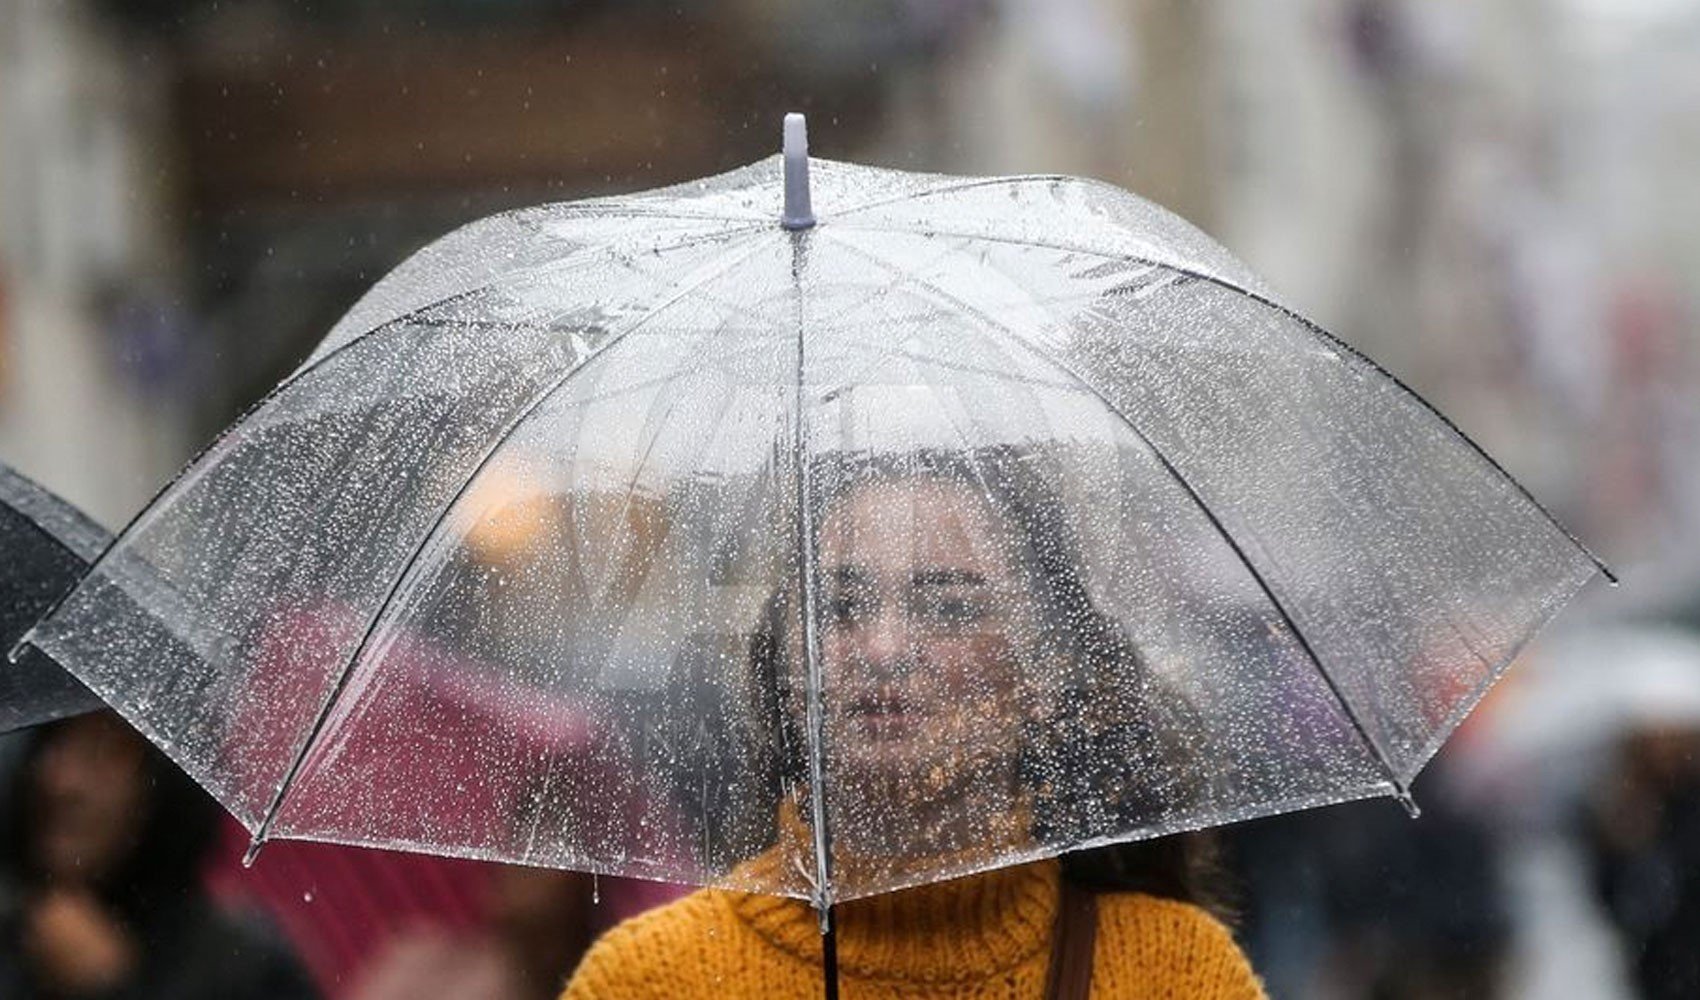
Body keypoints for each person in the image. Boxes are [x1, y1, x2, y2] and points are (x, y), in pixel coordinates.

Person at [562, 446, 1266, 998]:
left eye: (950, 608)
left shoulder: (1176, 973)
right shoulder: (651, 980)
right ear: (787, 662)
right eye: (839, 606)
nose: (885, 650)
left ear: (1045, 670)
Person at [0, 711, 318, 1000]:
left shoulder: (243, 969)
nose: (62, 782)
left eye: (108, 751)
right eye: (55, 743)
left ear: (167, 781)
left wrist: (115, 990)